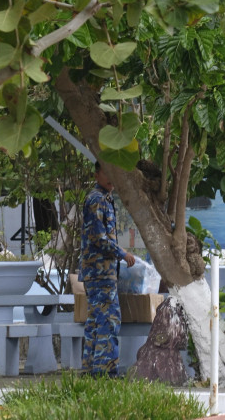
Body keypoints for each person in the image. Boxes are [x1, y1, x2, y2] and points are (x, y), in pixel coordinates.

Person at [79, 160, 136, 377]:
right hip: (99, 272)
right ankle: (105, 372)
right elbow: (99, 238)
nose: (111, 177)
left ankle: (91, 371)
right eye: (107, 172)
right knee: (108, 320)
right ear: (96, 175)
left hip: (101, 272)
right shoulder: (96, 200)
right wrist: (123, 254)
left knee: (95, 321)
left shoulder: (105, 199)